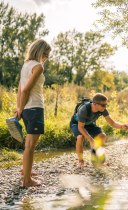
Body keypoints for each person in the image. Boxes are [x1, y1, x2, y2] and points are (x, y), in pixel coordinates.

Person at [15, 39, 51, 187]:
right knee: (30, 145)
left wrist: (19, 108)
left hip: (26, 110)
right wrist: (21, 107)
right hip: (35, 108)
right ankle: (27, 180)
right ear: (41, 52)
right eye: (46, 54)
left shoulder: (25, 65)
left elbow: (20, 89)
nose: (47, 58)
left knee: (28, 144)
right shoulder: (38, 66)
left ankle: (25, 170)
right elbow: (26, 89)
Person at [70, 93, 128, 168]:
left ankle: (95, 157)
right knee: (80, 137)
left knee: (102, 136)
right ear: (95, 104)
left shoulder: (103, 110)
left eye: (106, 105)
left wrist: (122, 126)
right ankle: (81, 161)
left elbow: (112, 123)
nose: (105, 107)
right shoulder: (84, 110)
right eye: (103, 105)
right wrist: (91, 140)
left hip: (90, 124)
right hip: (77, 124)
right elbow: (81, 127)